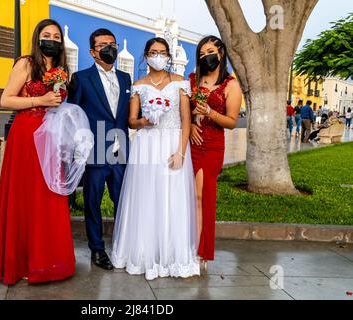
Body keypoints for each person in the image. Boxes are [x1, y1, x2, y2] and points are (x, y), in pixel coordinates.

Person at [0, 19, 75, 285]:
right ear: (38, 38)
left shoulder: (61, 69)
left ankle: (47, 262)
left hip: (51, 137)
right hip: (26, 137)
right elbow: (5, 100)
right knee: (26, 195)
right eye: (47, 34)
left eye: (56, 36)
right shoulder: (25, 63)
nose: (52, 39)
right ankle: (23, 262)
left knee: (49, 195)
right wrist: (40, 100)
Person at [111, 37, 200, 281]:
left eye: (161, 52)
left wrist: (181, 151)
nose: (157, 56)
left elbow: (185, 120)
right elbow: (131, 121)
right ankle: (143, 251)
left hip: (172, 143)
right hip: (146, 144)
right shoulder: (139, 85)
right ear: (145, 56)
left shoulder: (180, 83)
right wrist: (144, 121)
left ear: (168, 56)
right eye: (153, 52)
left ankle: (171, 253)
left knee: (171, 196)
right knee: (147, 195)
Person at [68, 29, 132, 271]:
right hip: (94, 150)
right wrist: (77, 149)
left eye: (112, 44)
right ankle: (97, 248)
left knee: (123, 200)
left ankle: (123, 244)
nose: (109, 48)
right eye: (103, 45)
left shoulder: (126, 79)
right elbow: (73, 114)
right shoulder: (81, 78)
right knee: (92, 202)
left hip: (121, 149)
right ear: (93, 52)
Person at [189, 36, 242, 271]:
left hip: (211, 146)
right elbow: (183, 112)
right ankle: (184, 244)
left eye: (209, 51)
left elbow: (231, 122)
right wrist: (190, 124)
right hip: (189, 143)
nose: (205, 56)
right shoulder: (192, 80)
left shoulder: (231, 85)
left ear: (221, 53)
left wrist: (209, 111)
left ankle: (201, 251)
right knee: (187, 196)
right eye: (201, 53)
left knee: (203, 197)